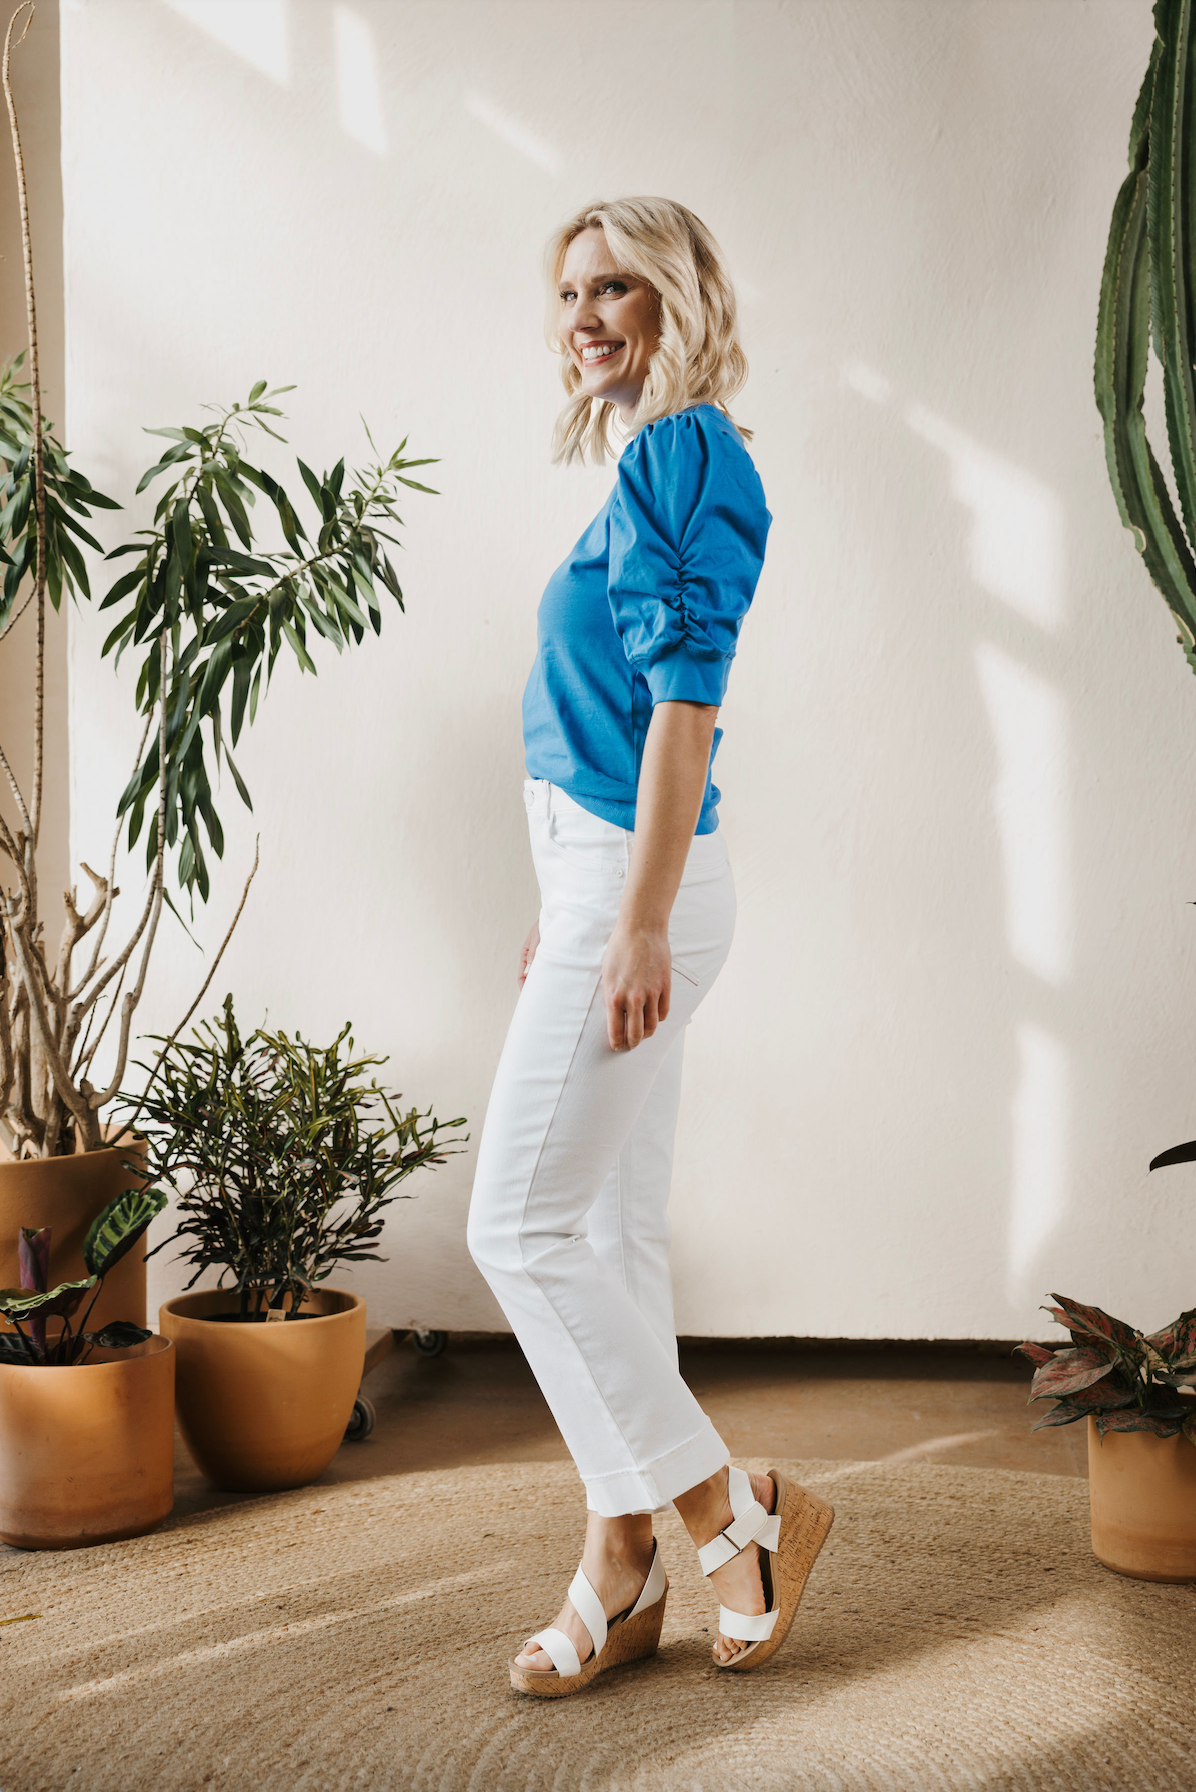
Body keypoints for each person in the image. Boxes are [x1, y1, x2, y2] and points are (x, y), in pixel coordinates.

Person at [467, 196, 833, 1697]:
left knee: (516, 1229)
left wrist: (630, 923)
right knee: (606, 1236)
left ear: (679, 296)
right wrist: (570, 906)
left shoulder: (687, 452)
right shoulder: (642, 461)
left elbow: (687, 711)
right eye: (569, 292)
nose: (586, 314)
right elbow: (610, 718)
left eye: (617, 284)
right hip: (604, 878)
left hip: (646, 884)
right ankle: (620, 1573)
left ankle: (722, 1516)